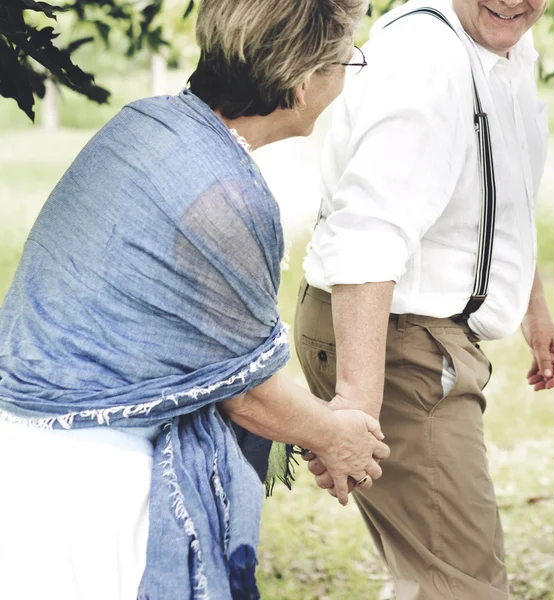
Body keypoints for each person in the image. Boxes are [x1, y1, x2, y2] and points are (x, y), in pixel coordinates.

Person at [0, 0, 391, 599]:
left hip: (26, 450)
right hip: (91, 490)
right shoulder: (224, 193)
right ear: (301, 82)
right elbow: (247, 393)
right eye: (347, 59)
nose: (347, 74)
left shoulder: (148, 122)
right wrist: (335, 437)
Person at [294, 0, 554, 598]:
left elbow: (500, 195)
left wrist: (533, 308)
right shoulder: (429, 60)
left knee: (433, 568)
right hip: (395, 334)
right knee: (461, 581)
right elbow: (367, 233)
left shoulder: (506, 49)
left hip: (415, 327)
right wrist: (356, 408)